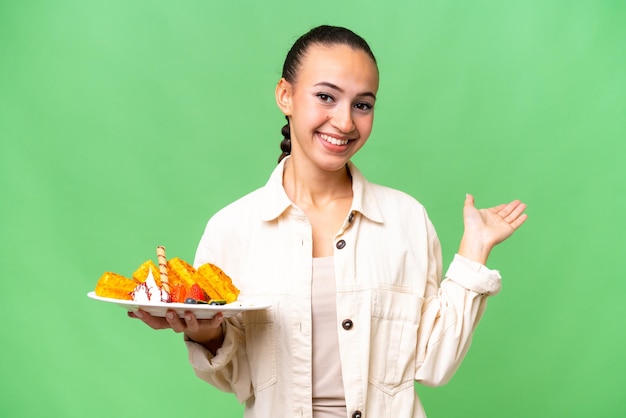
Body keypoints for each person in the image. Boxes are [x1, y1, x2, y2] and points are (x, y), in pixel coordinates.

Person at [129, 25, 528, 418]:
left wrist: (474, 250)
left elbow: (435, 363)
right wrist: (204, 332)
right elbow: (234, 379)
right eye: (326, 97)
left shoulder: (406, 220)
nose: (345, 122)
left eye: (363, 104)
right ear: (285, 96)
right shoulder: (232, 228)